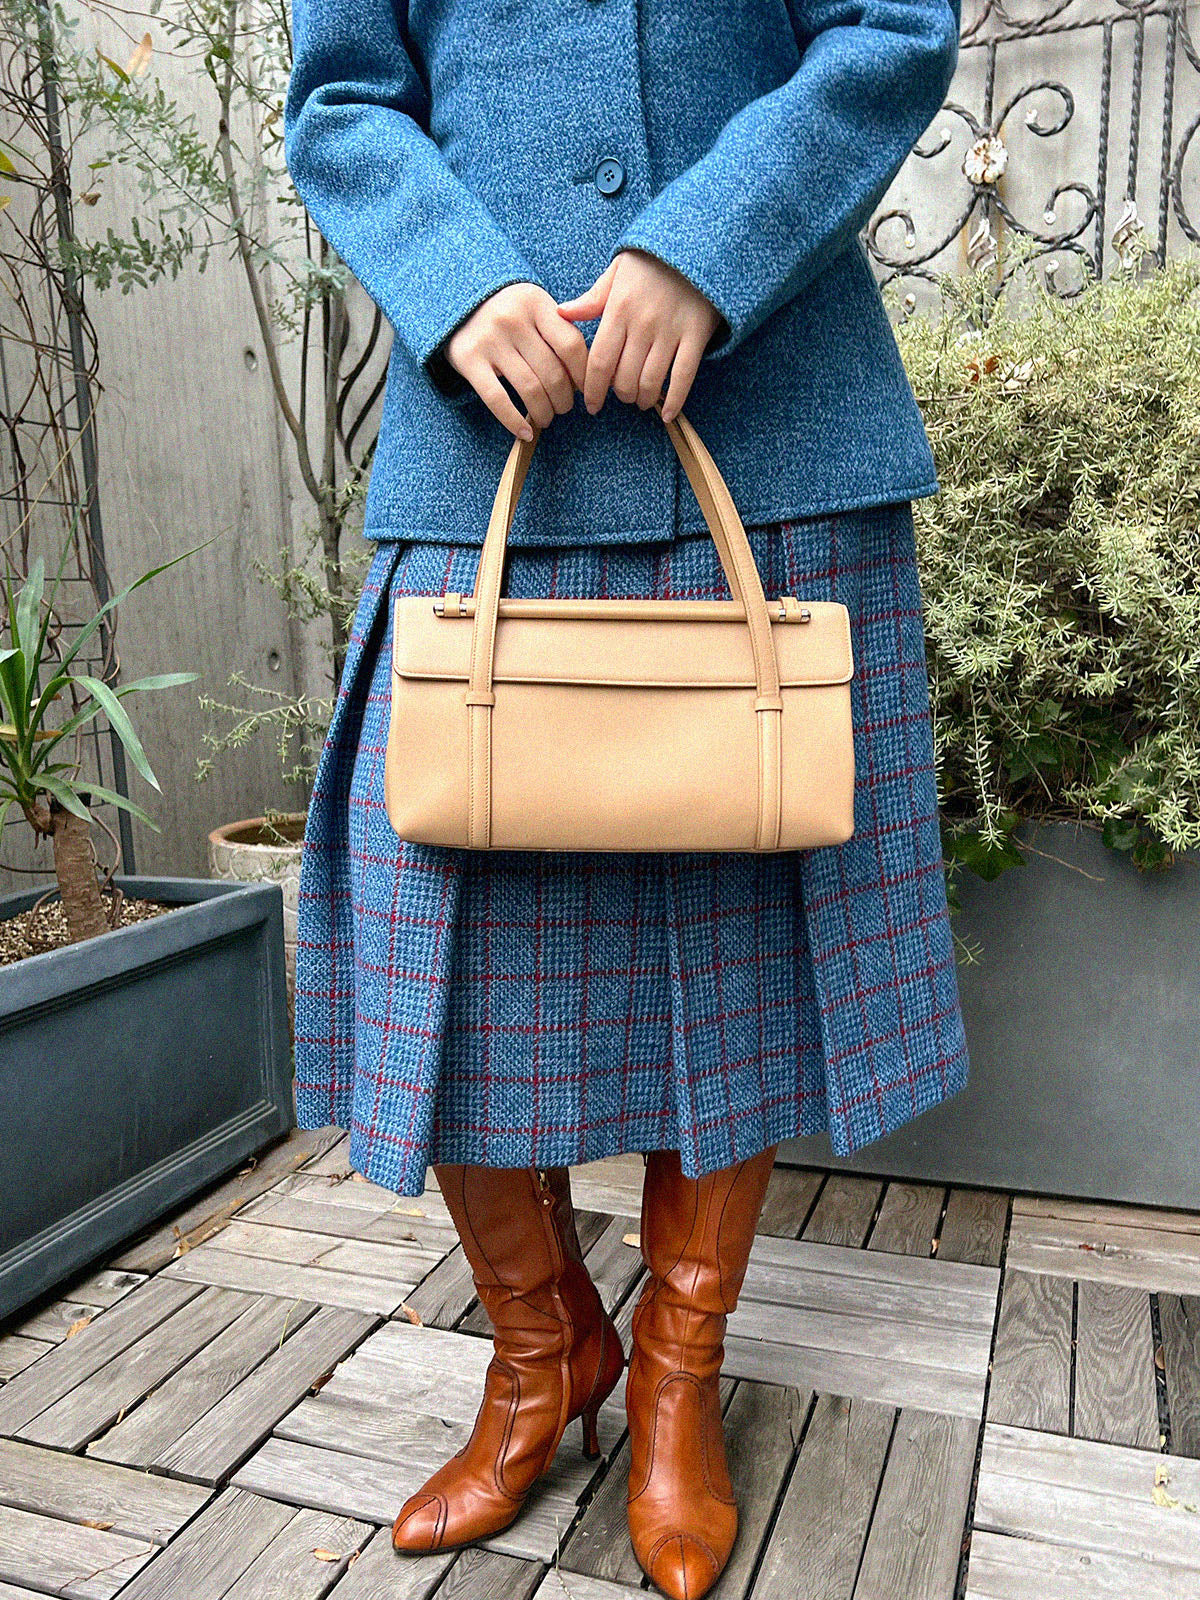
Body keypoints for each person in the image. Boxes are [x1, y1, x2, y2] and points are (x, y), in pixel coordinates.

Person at [283, 3, 966, 1596]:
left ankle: (676, 1376)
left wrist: (707, 248)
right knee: (441, 936)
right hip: (486, 430)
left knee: (742, 934)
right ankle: (542, 1356)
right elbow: (343, 98)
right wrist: (457, 282)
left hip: (770, 415)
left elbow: (887, 27)